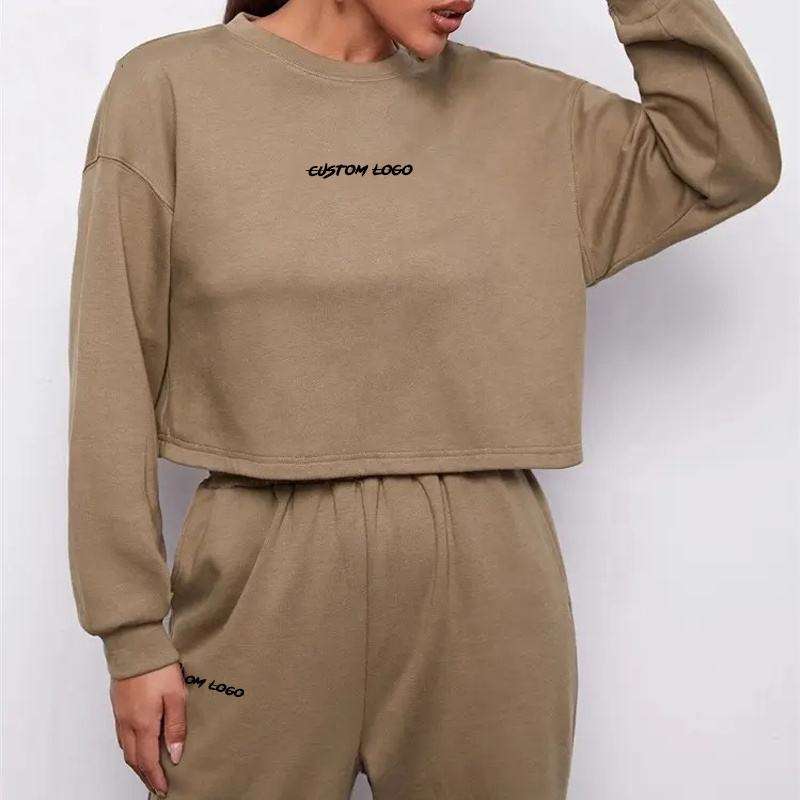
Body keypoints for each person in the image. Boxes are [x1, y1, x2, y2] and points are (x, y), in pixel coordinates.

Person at [67, 0, 780, 797]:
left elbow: (726, 158)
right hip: (259, 575)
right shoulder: (167, 91)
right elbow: (111, 371)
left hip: (488, 575)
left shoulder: (535, 118)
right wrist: (131, 633)